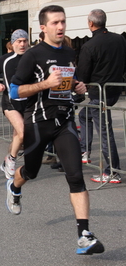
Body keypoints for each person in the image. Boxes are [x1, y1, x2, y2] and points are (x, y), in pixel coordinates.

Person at [6, 5, 104, 255]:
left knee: (75, 175)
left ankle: (84, 235)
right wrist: (44, 84)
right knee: (31, 170)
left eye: (63, 21)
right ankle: (14, 188)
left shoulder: (70, 52)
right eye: (55, 23)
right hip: (37, 123)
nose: (61, 27)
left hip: (64, 122)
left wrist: (78, 88)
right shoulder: (33, 55)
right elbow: (15, 91)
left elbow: (68, 85)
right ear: (43, 27)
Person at [77, 9, 126, 184]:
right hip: (114, 90)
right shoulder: (119, 39)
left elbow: (83, 74)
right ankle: (85, 150)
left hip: (100, 93)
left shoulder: (89, 46)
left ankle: (111, 171)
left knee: (105, 133)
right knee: (84, 115)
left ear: (91, 24)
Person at [0, 29, 29, 179]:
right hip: (10, 102)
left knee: (18, 137)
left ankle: (6, 161)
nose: (22, 44)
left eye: (24, 41)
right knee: (22, 132)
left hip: (27, 103)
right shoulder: (5, 59)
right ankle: (11, 160)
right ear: (13, 43)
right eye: (19, 41)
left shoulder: (31, 58)